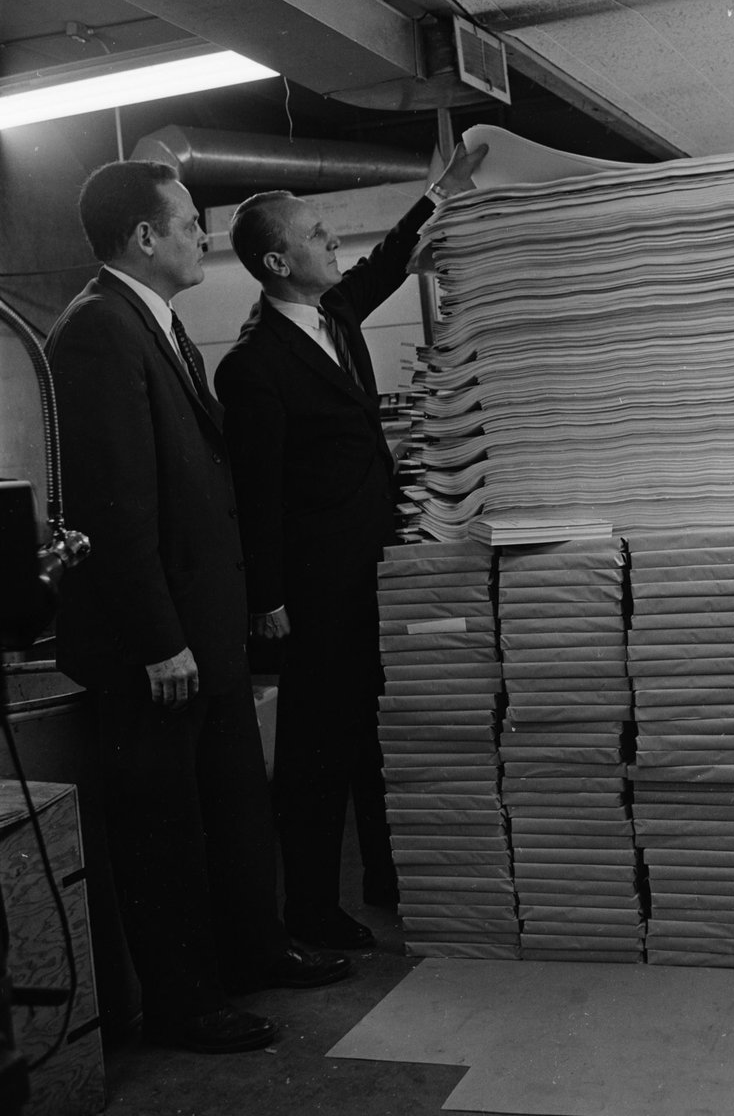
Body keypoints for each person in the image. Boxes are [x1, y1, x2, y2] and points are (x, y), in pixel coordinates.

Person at [46, 160, 351, 1055]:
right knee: (166, 830)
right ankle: (183, 1004)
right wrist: (157, 641)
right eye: (186, 224)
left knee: (229, 807)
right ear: (145, 237)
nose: (201, 237)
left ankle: (254, 952)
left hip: (202, 629)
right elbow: (113, 505)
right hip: (160, 646)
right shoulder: (99, 330)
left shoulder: (155, 327)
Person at [214, 141, 487, 951]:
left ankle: (385, 875)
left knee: (375, 730)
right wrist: (267, 602)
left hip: (373, 570)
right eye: (317, 234)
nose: (334, 242)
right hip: (313, 590)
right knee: (314, 752)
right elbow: (254, 498)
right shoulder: (253, 368)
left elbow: (383, 266)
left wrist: (436, 198)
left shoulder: (332, 317)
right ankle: (309, 908)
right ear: (276, 259)